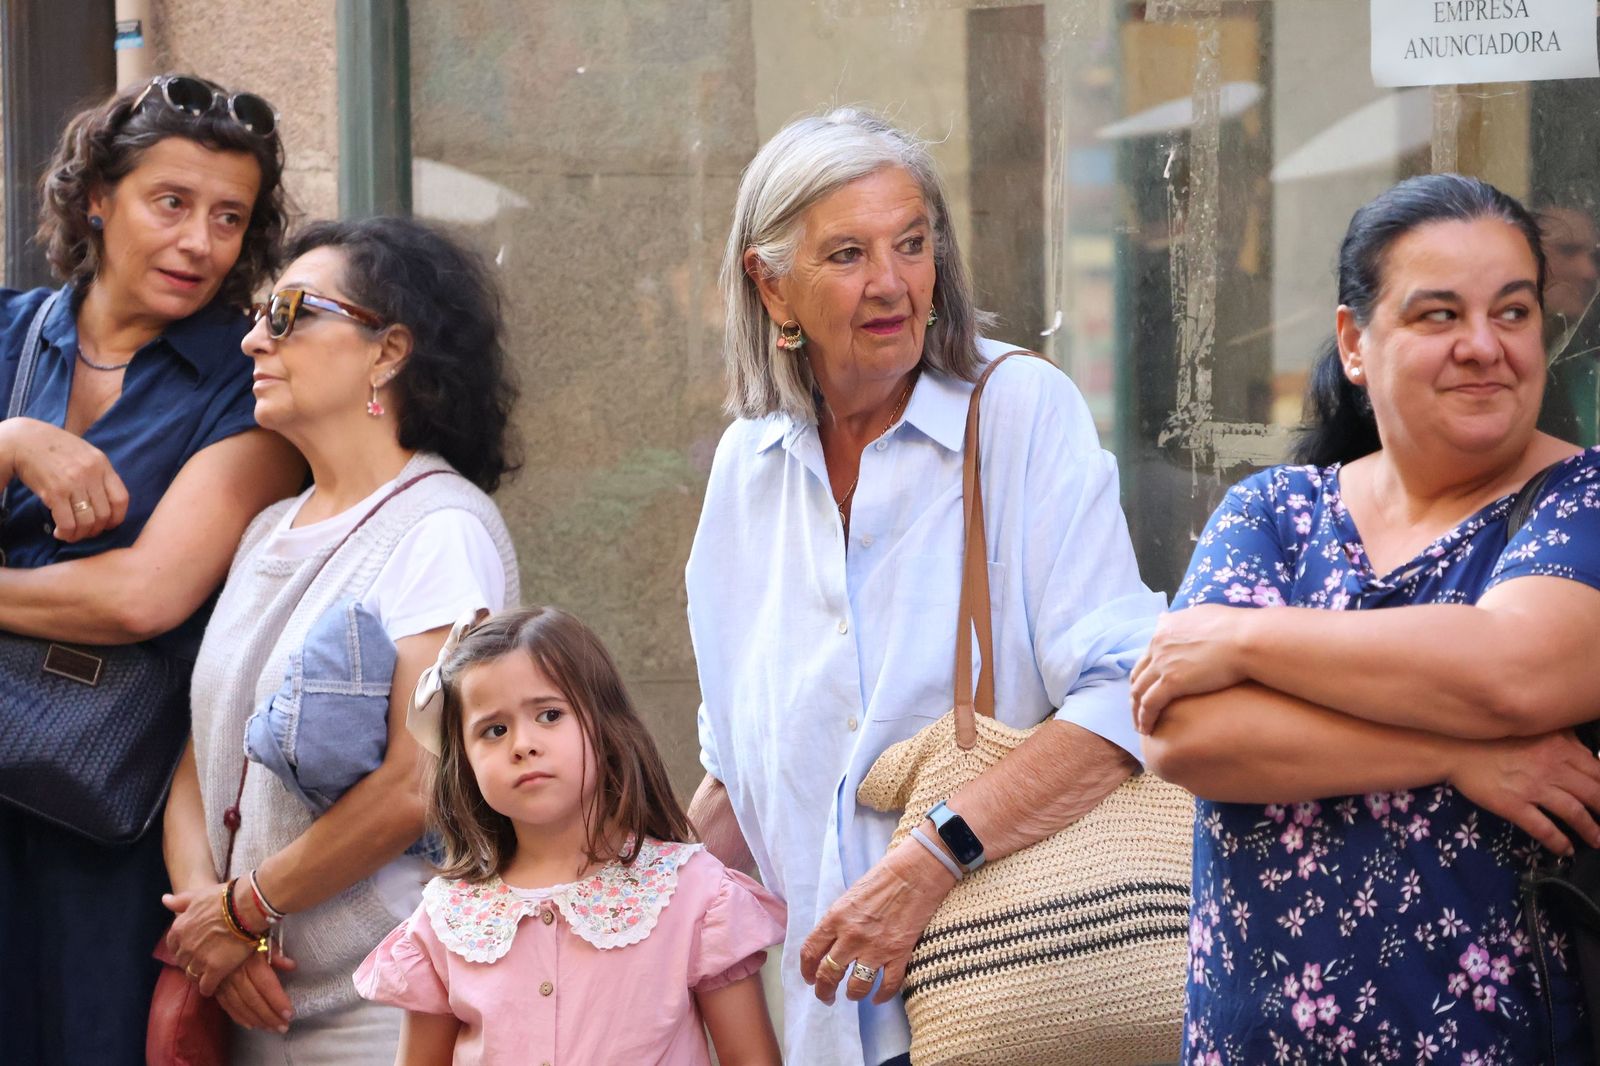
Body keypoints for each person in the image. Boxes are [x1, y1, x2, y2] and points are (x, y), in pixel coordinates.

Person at [685, 107, 1166, 1065]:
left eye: (913, 245)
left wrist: (927, 859)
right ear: (770, 285)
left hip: (1010, 992)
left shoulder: (1020, 409)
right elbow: (745, 772)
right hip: (824, 1014)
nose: (892, 284)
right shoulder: (750, 466)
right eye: (849, 254)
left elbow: (1126, 695)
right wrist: (599, 890)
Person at [1134, 173, 1600, 1063]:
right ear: (1355, 342)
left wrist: (1244, 638)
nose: (1484, 346)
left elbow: (1513, 669)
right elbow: (1187, 735)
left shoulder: (1580, 499)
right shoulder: (1277, 509)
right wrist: (1454, 755)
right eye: (1438, 316)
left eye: (1513, 312)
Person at [160, 216, 521, 1064]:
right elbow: (197, 754)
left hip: (387, 1008)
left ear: (388, 351)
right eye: (257, 314)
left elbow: (420, 777)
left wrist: (246, 912)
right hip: (251, 996)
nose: (253, 338)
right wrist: (208, 919)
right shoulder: (268, 529)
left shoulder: (443, 529)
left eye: (288, 313)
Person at [0, 73, 302, 1065]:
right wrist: (13, 442)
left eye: (229, 217)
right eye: (170, 202)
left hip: (101, 818)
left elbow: (144, 596)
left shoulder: (248, 384)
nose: (200, 242)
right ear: (98, 197)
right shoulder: (7, 337)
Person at [355, 606, 786, 1065]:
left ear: (604, 725)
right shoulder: (447, 919)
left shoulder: (693, 893)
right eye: (494, 730)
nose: (522, 744)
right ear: (463, 760)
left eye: (549, 715)